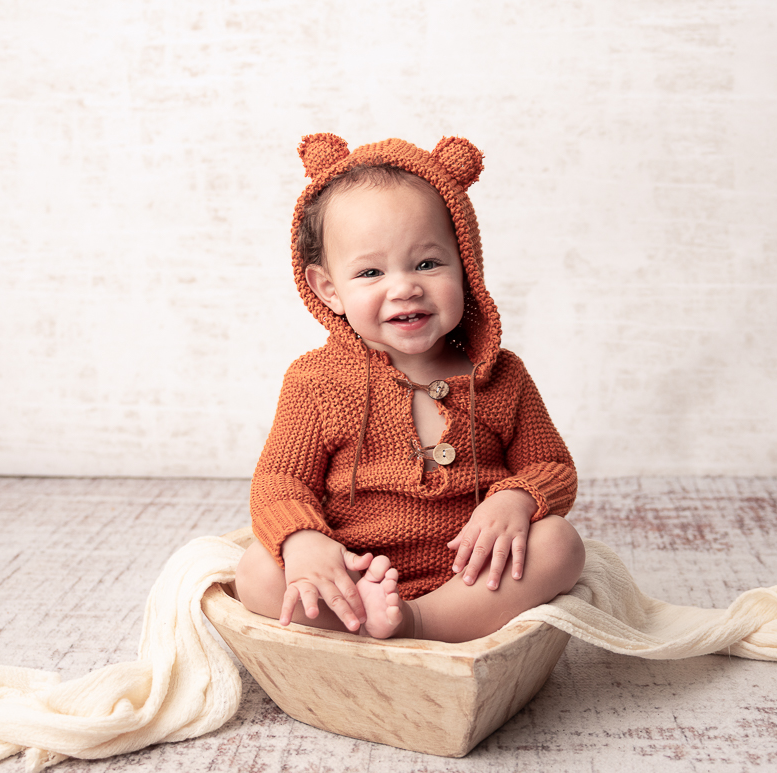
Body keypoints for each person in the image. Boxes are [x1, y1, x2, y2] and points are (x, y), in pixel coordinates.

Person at [235, 134, 585, 643]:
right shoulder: (315, 382)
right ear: (329, 289)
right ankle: (364, 616)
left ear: (466, 265)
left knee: (560, 544)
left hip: (468, 570)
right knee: (256, 572)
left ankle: (423, 623)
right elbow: (278, 482)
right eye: (371, 271)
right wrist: (305, 540)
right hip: (353, 569)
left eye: (427, 263)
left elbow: (551, 467)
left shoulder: (502, 376)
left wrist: (516, 499)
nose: (404, 287)